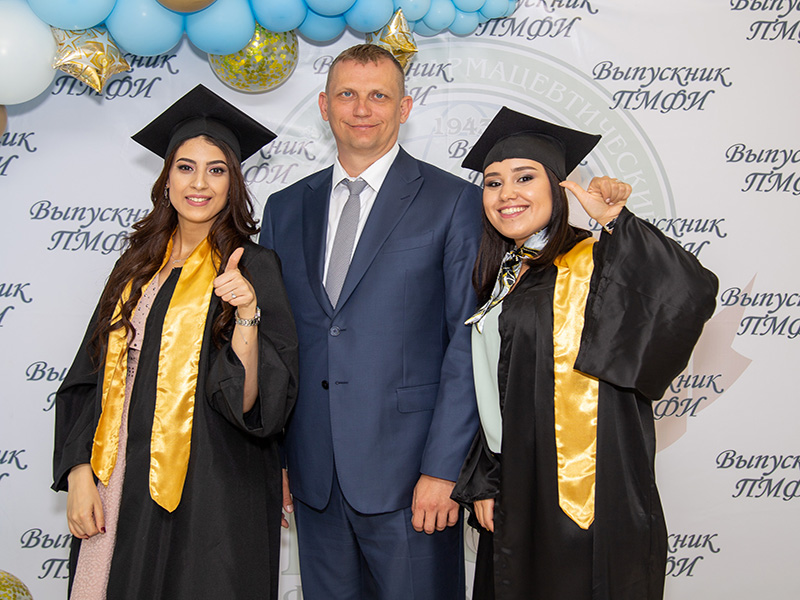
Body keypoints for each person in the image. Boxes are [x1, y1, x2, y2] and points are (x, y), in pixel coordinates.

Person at [451, 107, 719, 599]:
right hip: (518, 485)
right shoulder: (505, 276)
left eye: (524, 177)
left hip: (588, 489)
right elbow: (499, 391)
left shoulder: (594, 263)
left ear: (558, 188)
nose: (506, 193)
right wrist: (488, 478)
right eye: (493, 183)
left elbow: (688, 293)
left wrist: (615, 222)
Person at [52, 85, 299, 600]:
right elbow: (87, 377)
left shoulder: (255, 267)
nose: (200, 183)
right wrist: (80, 472)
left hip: (214, 487)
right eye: (186, 167)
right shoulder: (135, 268)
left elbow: (258, 404)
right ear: (166, 180)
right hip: (118, 476)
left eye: (217, 169)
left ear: (234, 182)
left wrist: (248, 313)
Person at [259, 44, 481, 599]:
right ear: (324, 105)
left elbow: (467, 342)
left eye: (378, 95)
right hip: (314, 476)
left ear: (404, 107)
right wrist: (280, 459)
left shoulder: (455, 202)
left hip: (413, 477)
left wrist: (443, 469)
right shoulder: (285, 208)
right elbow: (275, 344)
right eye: (347, 95)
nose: (362, 108)